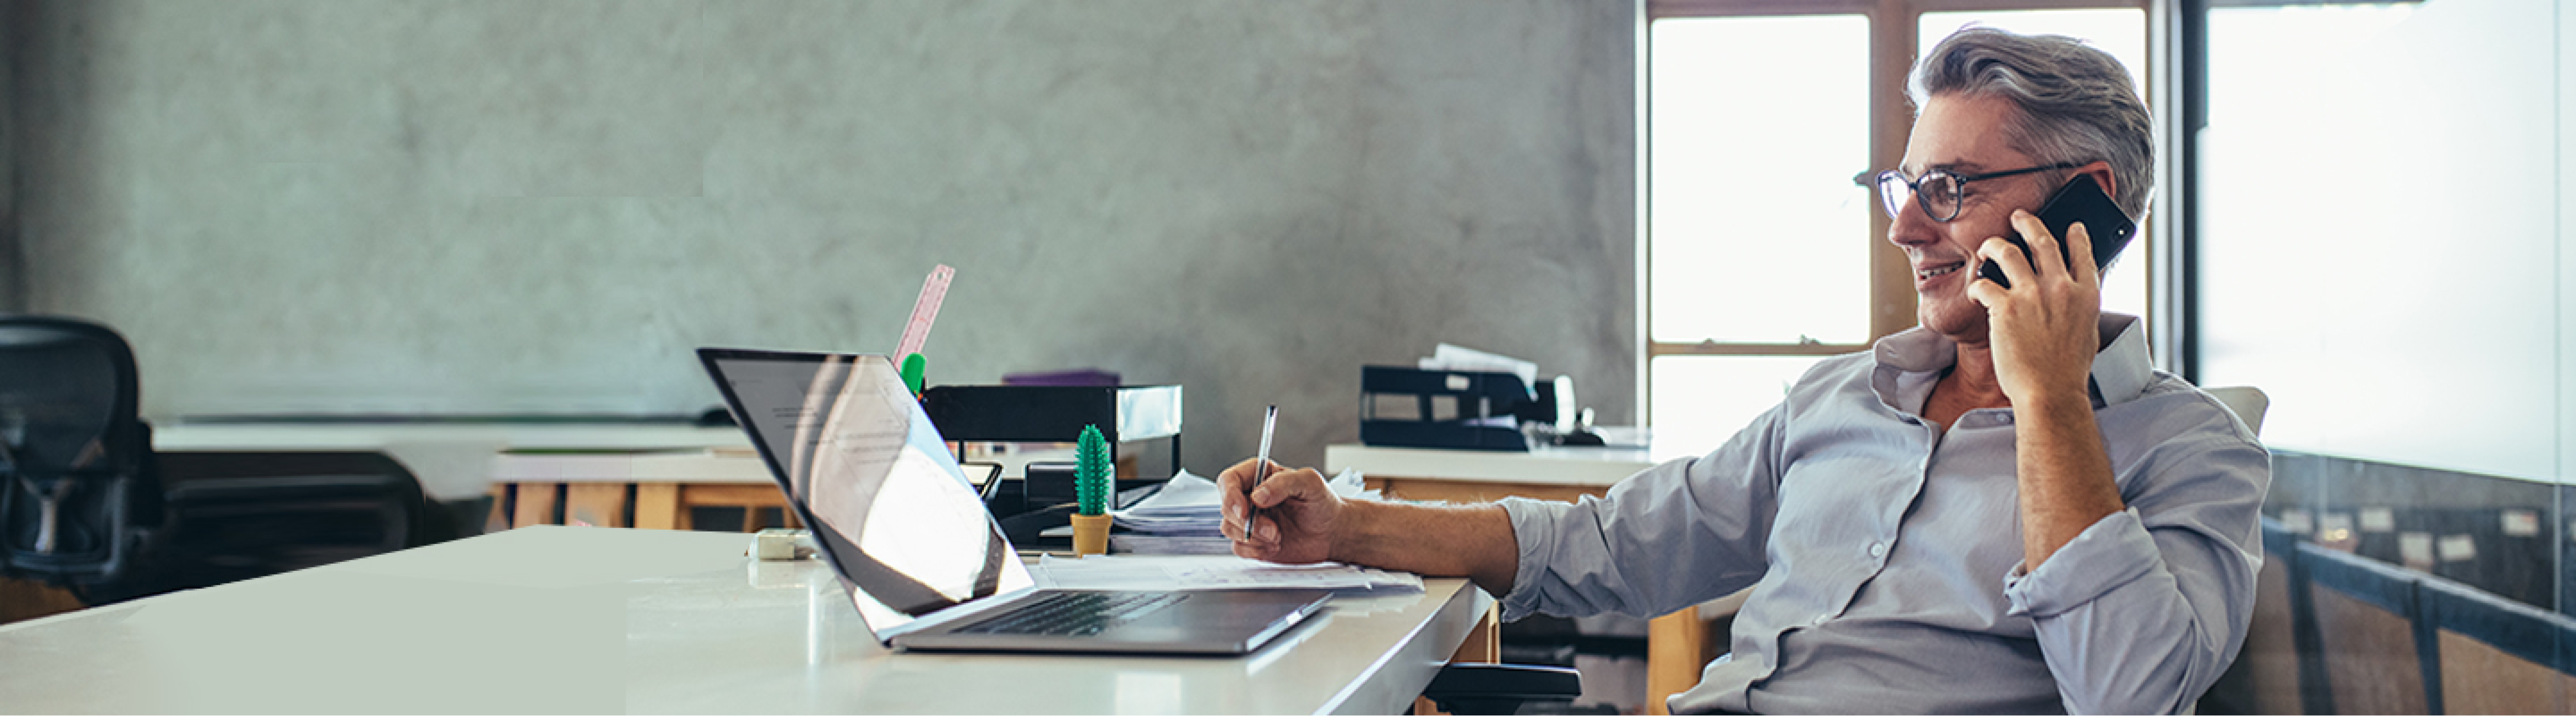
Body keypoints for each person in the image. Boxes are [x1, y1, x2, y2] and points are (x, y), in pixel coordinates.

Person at [1218, 27, 2268, 716]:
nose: (1903, 225)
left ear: (2084, 205)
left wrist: (2045, 399)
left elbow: (2129, 695)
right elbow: (1605, 547)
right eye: (1901, 183)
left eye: (1947, 186)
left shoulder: (2190, 450)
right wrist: (1343, 527)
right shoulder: (1847, 397)